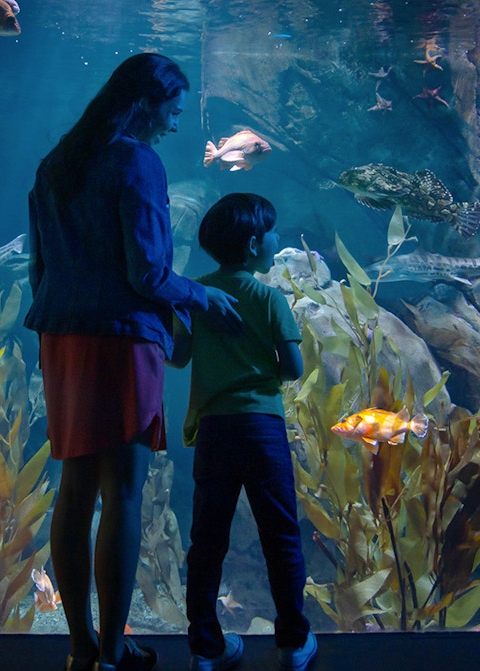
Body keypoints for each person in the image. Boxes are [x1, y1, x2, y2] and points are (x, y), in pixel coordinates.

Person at [25, 53, 242, 671]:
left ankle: (81, 646)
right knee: (122, 492)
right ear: (146, 103)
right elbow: (147, 272)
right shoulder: (137, 163)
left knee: (74, 490)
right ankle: (115, 651)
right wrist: (201, 297)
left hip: (62, 338)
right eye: (173, 110)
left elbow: (39, 269)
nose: (175, 124)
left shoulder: (54, 165)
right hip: (121, 339)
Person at [169, 193, 317, 671]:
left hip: (215, 430)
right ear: (254, 244)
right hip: (262, 429)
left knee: (207, 540)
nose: (277, 238)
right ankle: (292, 642)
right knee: (281, 533)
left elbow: (177, 357)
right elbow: (293, 368)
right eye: (272, 232)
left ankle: (206, 648)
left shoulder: (196, 296)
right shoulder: (270, 298)